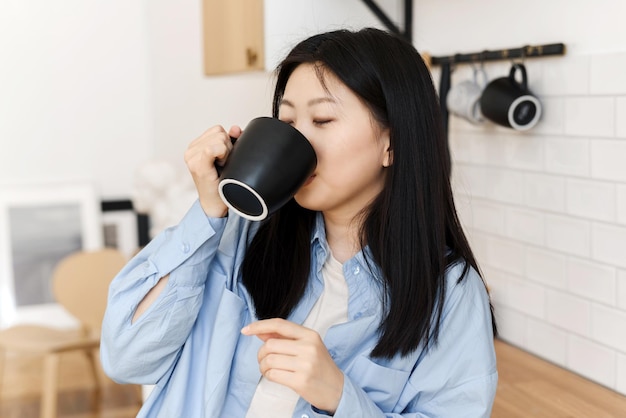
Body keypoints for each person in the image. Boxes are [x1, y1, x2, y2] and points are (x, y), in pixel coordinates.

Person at [101, 27, 498, 417]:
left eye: (322, 120)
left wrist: (340, 397)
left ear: (391, 144)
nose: (299, 142)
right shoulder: (240, 235)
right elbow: (126, 358)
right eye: (287, 123)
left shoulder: (449, 294)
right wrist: (208, 211)